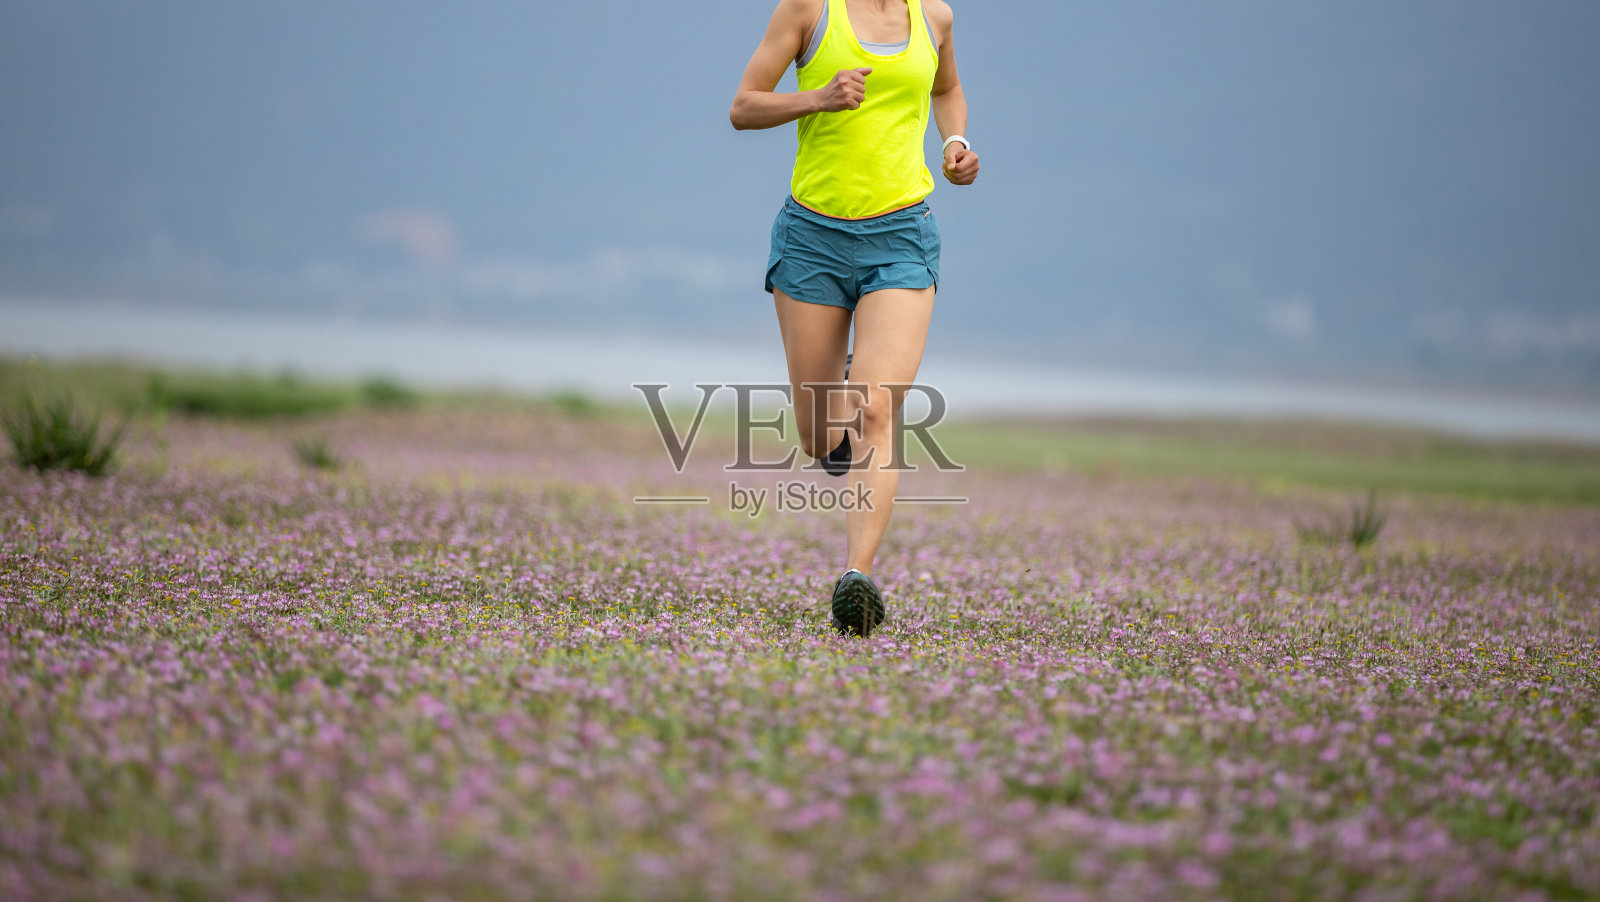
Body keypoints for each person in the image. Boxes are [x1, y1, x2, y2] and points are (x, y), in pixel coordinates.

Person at [731, 0, 979, 636]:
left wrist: (955, 142)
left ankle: (856, 578)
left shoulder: (935, 19)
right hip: (812, 238)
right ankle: (837, 400)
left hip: (902, 235)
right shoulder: (809, 11)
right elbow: (744, 107)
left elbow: (946, 90)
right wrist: (818, 98)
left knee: (877, 410)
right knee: (818, 436)